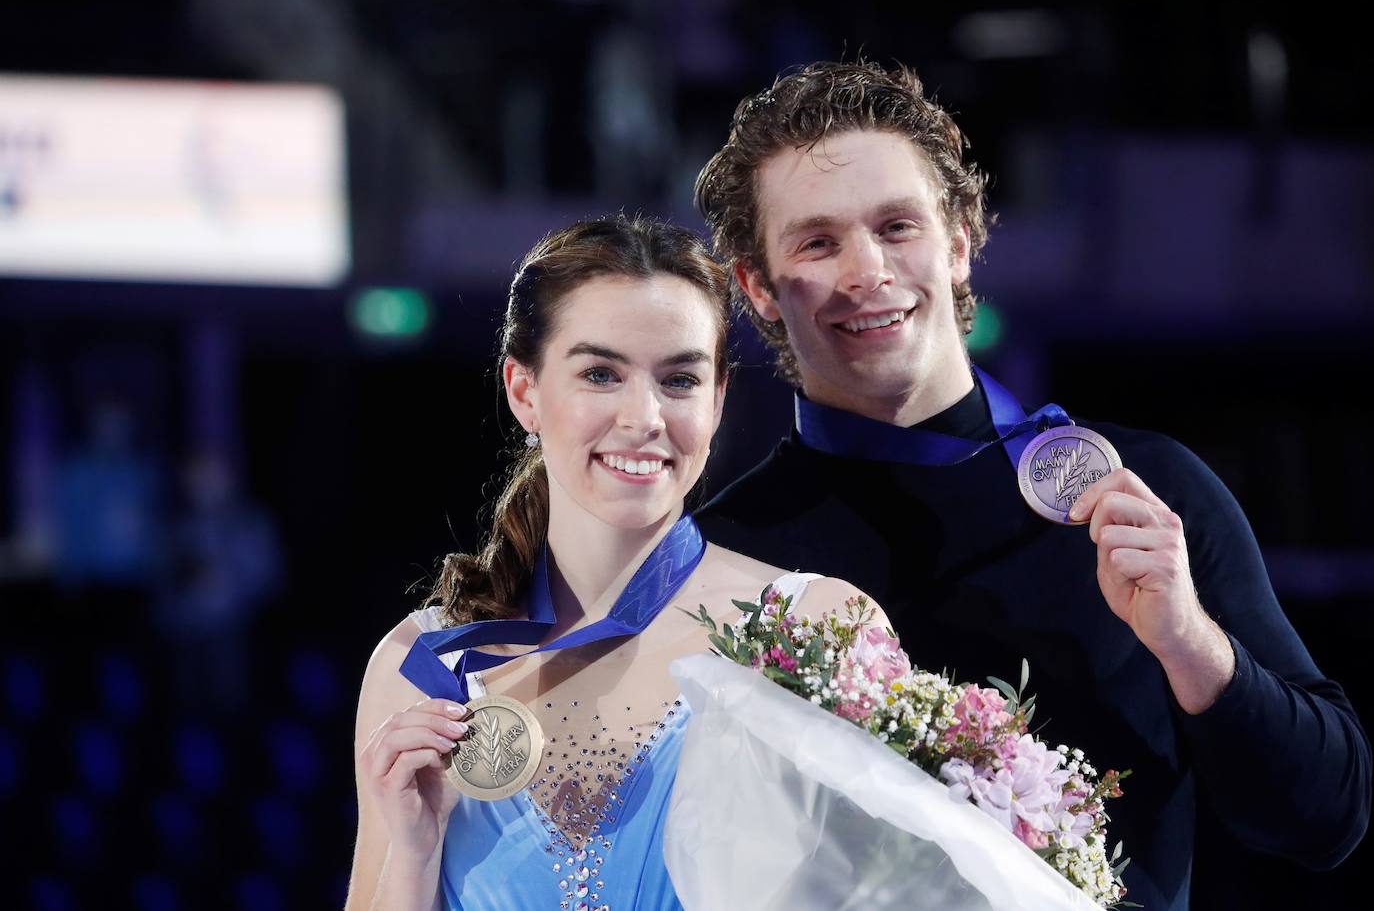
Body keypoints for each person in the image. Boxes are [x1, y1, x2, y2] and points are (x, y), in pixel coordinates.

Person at [692, 60, 1370, 910]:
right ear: (757, 285)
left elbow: (1324, 818)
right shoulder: (724, 560)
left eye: (898, 226)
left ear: (960, 241)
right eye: (818, 242)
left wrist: (1186, 638)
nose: (867, 271)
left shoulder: (1146, 490)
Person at [345, 215, 883, 910]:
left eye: (679, 379)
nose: (643, 417)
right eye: (601, 374)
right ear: (524, 391)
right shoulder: (422, 668)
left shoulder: (817, 630)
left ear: (718, 399)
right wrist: (414, 858)